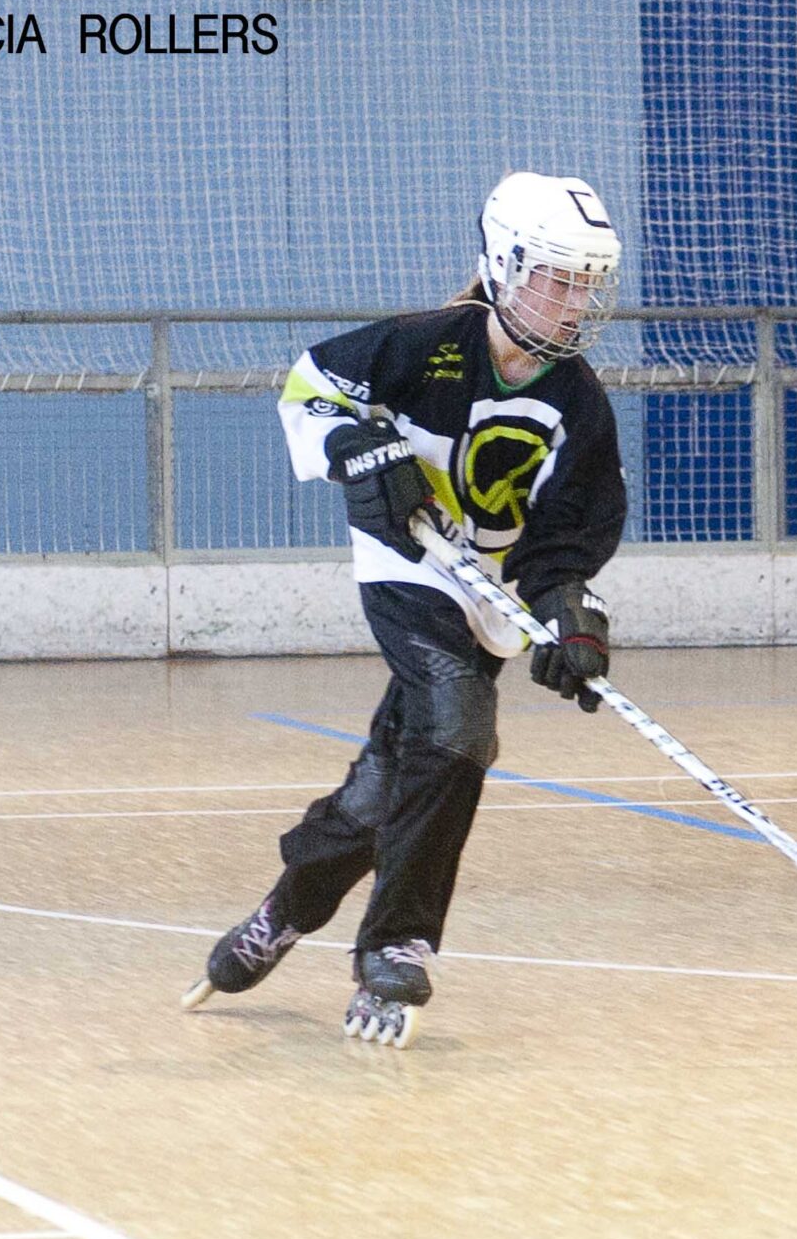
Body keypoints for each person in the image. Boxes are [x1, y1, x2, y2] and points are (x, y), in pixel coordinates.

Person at [182, 171, 628, 1047]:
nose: (575, 301)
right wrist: (356, 445)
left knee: (391, 780)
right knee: (460, 726)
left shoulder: (579, 401)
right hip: (409, 564)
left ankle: (283, 909)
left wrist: (570, 613)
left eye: (588, 281)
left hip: (487, 591)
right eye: (558, 276)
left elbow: (570, 530)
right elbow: (312, 387)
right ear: (504, 264)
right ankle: (399, 942)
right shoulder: (423, 345)